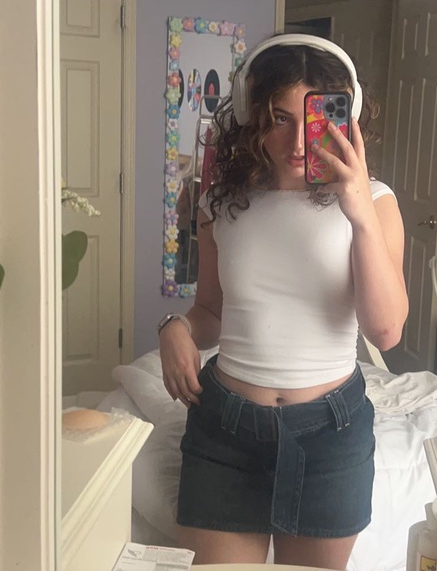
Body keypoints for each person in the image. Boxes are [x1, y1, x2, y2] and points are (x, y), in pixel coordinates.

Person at [158, 34, 408, 569]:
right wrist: (175, 326)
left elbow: (386, 332)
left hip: (330, 437)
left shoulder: (376, 202)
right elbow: (211, 313)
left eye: (313, 120)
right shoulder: (220, 204)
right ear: (252, 116)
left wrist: (359, 212)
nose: (297, 141)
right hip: (224, 434)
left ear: (343, 119)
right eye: (278, 118)